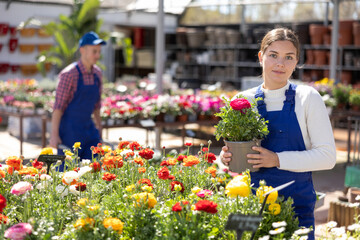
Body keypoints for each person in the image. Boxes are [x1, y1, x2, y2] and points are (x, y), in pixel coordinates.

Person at [219, 28, 336, 239]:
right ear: (260, 57)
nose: (280, 63)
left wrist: (276, 159)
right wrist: (227, 156)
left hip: (295, 209)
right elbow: (236, 150)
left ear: (297, 61)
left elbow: (327, 157)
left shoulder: (307, 98)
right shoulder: (243, 101)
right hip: (251, 206)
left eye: (288, 57)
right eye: (273, 55)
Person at [49, 31, 106, 170]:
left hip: (89, 130)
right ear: (82, 50)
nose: (97, 55)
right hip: (70, 132)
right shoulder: (69, 74)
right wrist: (54, 135)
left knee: (93, 170)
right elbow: (58, 107)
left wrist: (99, 127)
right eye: (94, 51)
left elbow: (97, 105)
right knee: (67, 173)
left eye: (98, 51)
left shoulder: (97, 74)